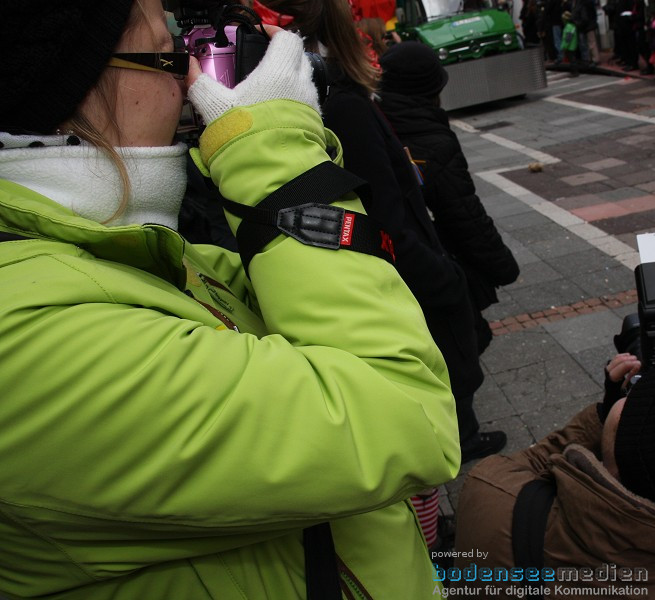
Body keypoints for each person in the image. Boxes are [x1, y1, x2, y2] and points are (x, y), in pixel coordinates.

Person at [0, 1, 462, 598]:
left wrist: (257, 156)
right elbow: (408, 416)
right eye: (169, 53)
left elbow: (316, 318)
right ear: (76, 89)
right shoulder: (28, 343)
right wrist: (273, 150)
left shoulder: (118, 257)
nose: (190, 72)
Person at [256, 0, 507, 462]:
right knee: (441, 371)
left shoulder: (335, 95)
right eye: (354, 19)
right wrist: (443, 278)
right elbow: (386, 213)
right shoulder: (345, 103)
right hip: (410, 272)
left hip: (396, 264)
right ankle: (451, 450)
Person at [452, 355, 655, 599]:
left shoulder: (489, 494)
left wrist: (601, 415)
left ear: (618, 452)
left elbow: (537, 459)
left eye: (630, 402)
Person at [377, 42, 521, 355]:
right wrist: (504, 267)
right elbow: (463, 215)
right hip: (428, 270)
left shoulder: (376, 124)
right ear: (430, 89)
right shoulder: (431, 139)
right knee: (459, 365)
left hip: (387, 272)